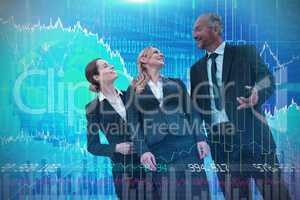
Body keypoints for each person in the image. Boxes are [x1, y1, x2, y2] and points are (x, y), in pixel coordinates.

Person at [190, 13, 290, 199]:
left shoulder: (245, 53)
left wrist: (256, 94)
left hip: (254, 141)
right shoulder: (195, 69)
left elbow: (267, 79)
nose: (193, 34)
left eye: (198, 28)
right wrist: (200, 137)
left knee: (276, 195)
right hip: (222, 148)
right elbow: (195, 107)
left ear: (216, 28)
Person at [127, 46, 211, 200]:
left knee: (200, 193)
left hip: (188, 146)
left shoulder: (176, 83)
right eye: (156, 52)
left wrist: (201, 138)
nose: (161, 54)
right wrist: (143, 150)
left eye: (161, 52)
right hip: (159, 152)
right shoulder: (133, 89)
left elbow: (192, 112)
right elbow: (133, 124)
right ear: (144, 60)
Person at [85, 58, 144, 199]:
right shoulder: (92, 108)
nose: (112, 66)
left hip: (150, 163)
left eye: (110, 64)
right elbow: (92, 146)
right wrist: (116, 148)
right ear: (96, 77)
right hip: (124, 171)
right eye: (105, 66)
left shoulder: (131, 95)